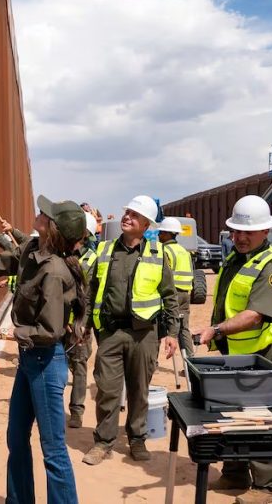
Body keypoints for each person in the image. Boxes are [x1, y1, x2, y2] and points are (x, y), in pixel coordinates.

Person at [0, 195, 88, 504]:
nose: (39, 213)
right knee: (16, 438)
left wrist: (3, 333)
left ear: (53, 229)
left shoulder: (53, 271)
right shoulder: (34, 251)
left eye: (45, 214)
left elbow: (49, 332)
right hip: (29, 361)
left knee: (53, 450)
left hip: (46, 363)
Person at [194, 195, 272, 504]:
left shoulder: (270, 267)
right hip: (236, 351)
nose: (240, 237)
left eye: (247, 232)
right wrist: (217, 333)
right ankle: (234, 473)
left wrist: (216, 330)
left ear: (265, 232)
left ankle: (267, 487)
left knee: (259, 417)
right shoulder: (236, 259)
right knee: (232, 410)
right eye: (236, 231)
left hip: (264, 353)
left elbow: (254, 316)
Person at [81, 195, 180, 465]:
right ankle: (103, 443)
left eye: (134, 215)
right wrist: (84, 324)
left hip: (144, 334)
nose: (127, 217)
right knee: (108, 390)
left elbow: (170, 297)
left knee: (139, 391)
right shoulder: (105, 250)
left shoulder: (158, 254)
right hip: (111, 333)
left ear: (146, 224)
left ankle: (137, 439)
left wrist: (170, 333)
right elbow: (90, 293)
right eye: (127, 213)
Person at [67, 213, 100, 428]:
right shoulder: (61, 255)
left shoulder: (93, 260)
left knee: (79, 365)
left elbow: (91, 297)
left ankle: (77, 410)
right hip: (57, 321)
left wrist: (84, 325)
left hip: (78, 323)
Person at [156, 217, 195, 357]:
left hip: (172, 295)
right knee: (184, 329)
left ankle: (151, 362)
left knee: (159, 326)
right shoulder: (184, 251)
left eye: (161, 233)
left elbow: (164, 275)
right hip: (185, 294)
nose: (159, 235)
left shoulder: (164, 250)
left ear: (168, 233)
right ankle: (190, 363)